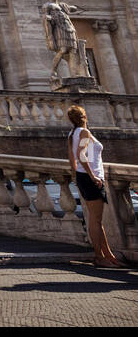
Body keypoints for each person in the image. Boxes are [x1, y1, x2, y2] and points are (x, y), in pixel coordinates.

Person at [68, 105, 125, 268]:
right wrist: (92, 176)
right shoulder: (84, 132)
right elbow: (81, 155)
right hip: (91, 178)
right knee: (96, 219)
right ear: (84, 117)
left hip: (83, 176)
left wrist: (77, 174)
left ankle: (109, 255)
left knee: (96, 220)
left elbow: (72, 158)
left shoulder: (72, 134)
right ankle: (99, 257)